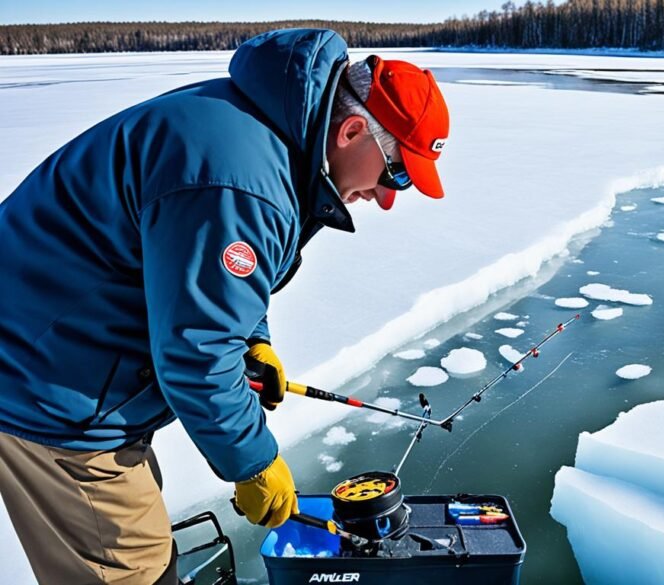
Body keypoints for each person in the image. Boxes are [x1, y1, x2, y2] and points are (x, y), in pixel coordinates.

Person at [0, 27, 449, 584]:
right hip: (50, 387)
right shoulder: (242, 183)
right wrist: (254, 464)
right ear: (352, 130)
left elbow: (205, 282)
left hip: (70, 359)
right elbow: (196, 355)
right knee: (133, 573)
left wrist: (253, 338)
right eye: (396, 174)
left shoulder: (267, 136)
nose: (386, 198)